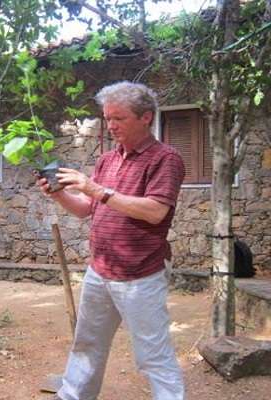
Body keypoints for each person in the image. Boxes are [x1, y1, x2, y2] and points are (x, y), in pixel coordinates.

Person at [37, 81, 186, 400]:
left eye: (119, 118)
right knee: (87, 344)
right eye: (107, 118)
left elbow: (155, 211)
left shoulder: (166, 159)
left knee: (153, 356)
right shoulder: (107, 159)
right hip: (99, 270)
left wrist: (94, 189)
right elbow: (86, 210)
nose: (111, 125)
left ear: (146, 117)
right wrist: (60, 194)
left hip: (140, 275)